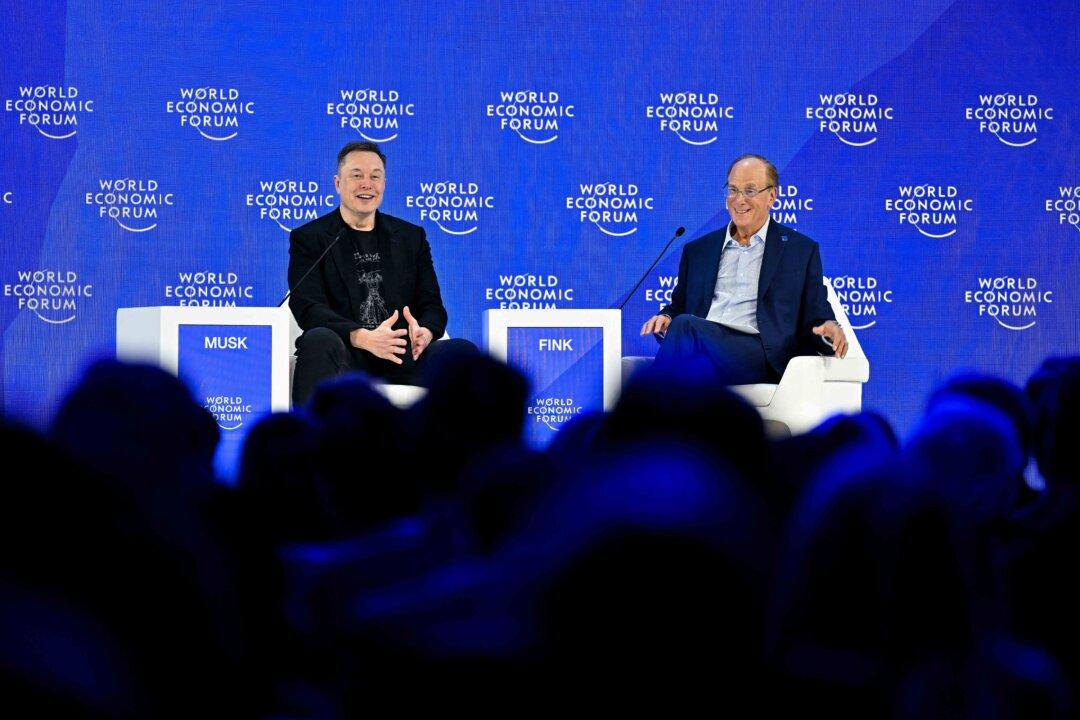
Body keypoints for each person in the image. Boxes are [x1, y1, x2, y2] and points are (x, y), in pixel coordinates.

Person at [288, 141, 473, 405]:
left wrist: (426, 332)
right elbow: (307, 307)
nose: (367, 184)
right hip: (347, 353)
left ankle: (468, 446)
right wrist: (361, 336)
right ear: (338, 183)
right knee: (317, 339)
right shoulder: (311, 238)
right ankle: (309, 442)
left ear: (384, 184)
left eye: (375, 176)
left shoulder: (410, 237)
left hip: (404, 354)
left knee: (460, 352)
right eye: (357, 175)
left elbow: (432, 305)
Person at [640, 154, 847, 384]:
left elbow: (817, 313)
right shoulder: (698, 250)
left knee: (685, 331)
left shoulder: (800, 251)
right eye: (733, 189)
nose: (739, 200)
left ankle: (648, 412)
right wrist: (666, 317)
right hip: (702, 343)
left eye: (749, 191)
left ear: (771, 196)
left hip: (759, 353)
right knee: (685, 334)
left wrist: (830, 329)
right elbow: (678, 306)